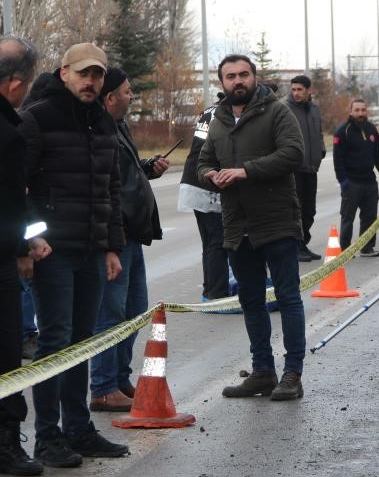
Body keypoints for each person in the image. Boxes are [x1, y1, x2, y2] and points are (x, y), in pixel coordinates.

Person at [19, 42, 129, 467]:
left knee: (82, 344)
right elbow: (16, 187)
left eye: (97, 75)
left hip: (91, 250)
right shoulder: (37, 118)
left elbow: (110, 190)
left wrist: (111, 246)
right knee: (55, 343)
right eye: (83, 73)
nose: (90, 81)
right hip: (53, 253)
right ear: (64, 72)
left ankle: (78, 430)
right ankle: (47, 438)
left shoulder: (101, 121)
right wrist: (29, 241)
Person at [198, 54, 308, 401]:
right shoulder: (216, 119)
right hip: (237, 225)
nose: (238, 81)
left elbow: (294, 153)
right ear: (222, 83)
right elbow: (203, 161)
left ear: (254, 77)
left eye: (243, 74)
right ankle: (262, 371)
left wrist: (245, 171)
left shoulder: (276, 111)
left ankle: (292, 374)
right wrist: (211, 175)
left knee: (288, 298)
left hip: (276, 221)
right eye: (230, 76)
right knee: (251, 301)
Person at [89, 69, 169, 412]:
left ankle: (119, 379)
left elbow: (124, 173)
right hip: (114, 237)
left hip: (132, 233)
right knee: (111, 313)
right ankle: (103, 387)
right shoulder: (97, 130)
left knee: (135, 311)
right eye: (126, 91)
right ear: (109, 98)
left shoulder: (119, 125)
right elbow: (103, 190)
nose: (132, 95)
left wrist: (147, 168)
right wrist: (111, 242)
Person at [0, 35, 51, 476]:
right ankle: (6, 446)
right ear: (15, 83)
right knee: (6, 353)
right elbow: (11, 198)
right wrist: (24, 248)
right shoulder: (9, 130)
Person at [178, 94, 230, 301]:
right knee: (218, 240)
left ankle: (210, 290)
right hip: (207, 182)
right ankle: (217, 294)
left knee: (210, 241)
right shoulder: (223, 115)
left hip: (194, 181)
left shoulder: (210, 111)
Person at [333, 98, 379, 257]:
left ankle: (367, 248)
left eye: (363, 110)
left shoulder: (371, 129)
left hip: (370, 183)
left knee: (370, 217)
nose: (360, 113)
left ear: (367, 111)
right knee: (347, 218)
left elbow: (378, 153)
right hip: (351, 183)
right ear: (350, 111)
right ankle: (344, 250)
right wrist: (343, 180)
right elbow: (338, 160)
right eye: (357, 110)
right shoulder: (343, 131)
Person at [285, 75, 326, 262]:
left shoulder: (315, 110)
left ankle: (303, 243)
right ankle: (296, 247)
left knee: (310, 210)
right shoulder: (285, 109)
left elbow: (318, 133)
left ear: (308, 91)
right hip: (293, 168)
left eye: (299, 89)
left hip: (311, 167)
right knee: (296, 210)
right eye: (293, 89)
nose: (296, 93)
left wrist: (321, 150)